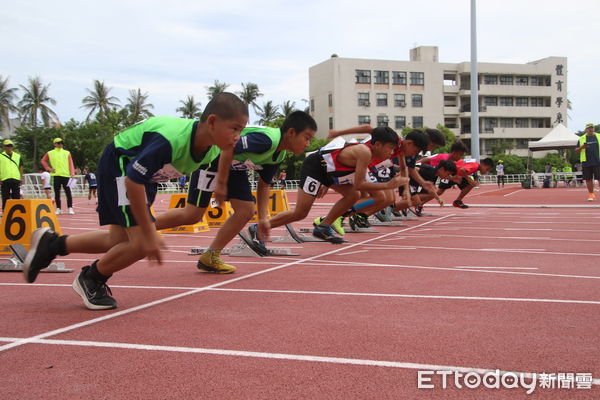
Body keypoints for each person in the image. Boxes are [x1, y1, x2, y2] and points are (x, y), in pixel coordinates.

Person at [22, 93, 249, 310]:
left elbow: (227, 153)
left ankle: (52, 244)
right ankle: (91, 278)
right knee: (141, 243)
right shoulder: (170, 141)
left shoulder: (213, 146)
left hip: (144, 175)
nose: (237, 137)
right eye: (234, 129)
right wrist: (148, 232)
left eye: (241, 130)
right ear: (212, 122)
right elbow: (132, 181)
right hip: (122, 165)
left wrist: (221, 183)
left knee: (119, 239)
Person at [164, 111, 317, 272]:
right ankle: (142, 230)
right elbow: (228, 148)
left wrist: (264, 218)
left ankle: (211, 256)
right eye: (306, 138)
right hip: (213, 159)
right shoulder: (267, 140)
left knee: (246, 210)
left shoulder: (278, 156)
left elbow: (264, 185)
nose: (307, 144)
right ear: (291, 132)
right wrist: (221, 183)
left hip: (234, 167)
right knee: (192, 215)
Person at [248, 126, 409, 250]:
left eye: (394, 149)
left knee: (353, 195)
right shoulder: (364, 153)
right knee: (300, 213)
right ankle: (258, 227)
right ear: (378, 144)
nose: (391, 153)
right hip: (315, 166)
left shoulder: (371, 154)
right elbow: (359, 183)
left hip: (329, 172)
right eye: (389, 148)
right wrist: (388, 185)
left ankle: (323, 226)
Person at [41, 138, 75, 214]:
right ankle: (58, 208)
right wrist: (48, 168)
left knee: (68, 192)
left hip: (66, 175)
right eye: (58, 143)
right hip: (55, 175)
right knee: (57, 193)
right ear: (54, 144)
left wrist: (72, 173)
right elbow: (43, 160)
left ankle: (70, 208)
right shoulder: (50, 153)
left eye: (61, 143)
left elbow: (71, 163)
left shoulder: (67, 153)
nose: (60, 144)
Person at [575, 123, 600, 201]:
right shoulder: (581, 138)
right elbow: (576, 150)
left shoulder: (599, 136)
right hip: (586, 162)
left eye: (592, 128)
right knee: (588, 179)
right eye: (588, 128)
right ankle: (591, 194)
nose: (590, 129)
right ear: (586, 129)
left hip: (598, 161)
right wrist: (582, 147)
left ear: (594, 129)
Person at [0, 139, 23, 212]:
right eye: (7, 146)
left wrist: (21, 177)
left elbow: (21, 166)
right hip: (5, 178)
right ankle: (5, 211)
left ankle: (17, 210)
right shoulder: (0, 156)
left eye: (10, 146)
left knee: (16, 196)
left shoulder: (17, 156)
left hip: (15, 178)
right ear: (4, 147)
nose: (9, 147)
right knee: (5, 196)